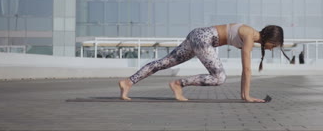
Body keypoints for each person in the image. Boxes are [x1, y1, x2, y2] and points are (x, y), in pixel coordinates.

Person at [118, 23, 284, 103]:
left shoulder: (250, 35)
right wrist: (247, 96)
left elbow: (245, 70)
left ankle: (128, 82)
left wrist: (243, 96)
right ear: (270, 39)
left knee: (164, 63)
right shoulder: (249, 36)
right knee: (219, 77)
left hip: (198, 35)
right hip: (204, 38)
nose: (272, 48)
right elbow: (246, 70)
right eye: (274, 45)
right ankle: (178, 84)